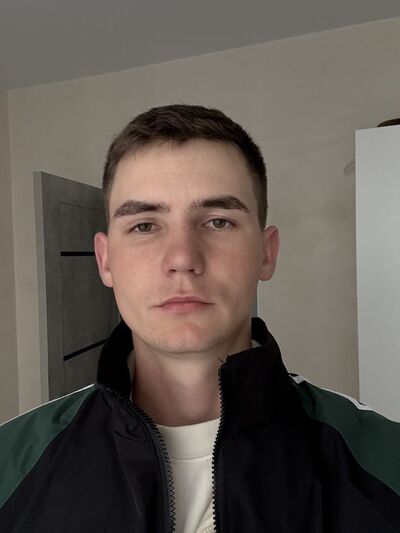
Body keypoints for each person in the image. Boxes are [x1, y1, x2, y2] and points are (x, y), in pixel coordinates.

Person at [0, 105, 399, 533]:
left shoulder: (386, 461)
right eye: (144, 226)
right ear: (105, 260)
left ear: (266, 253)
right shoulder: (10, 463)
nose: (182, 258)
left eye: (218, 221)